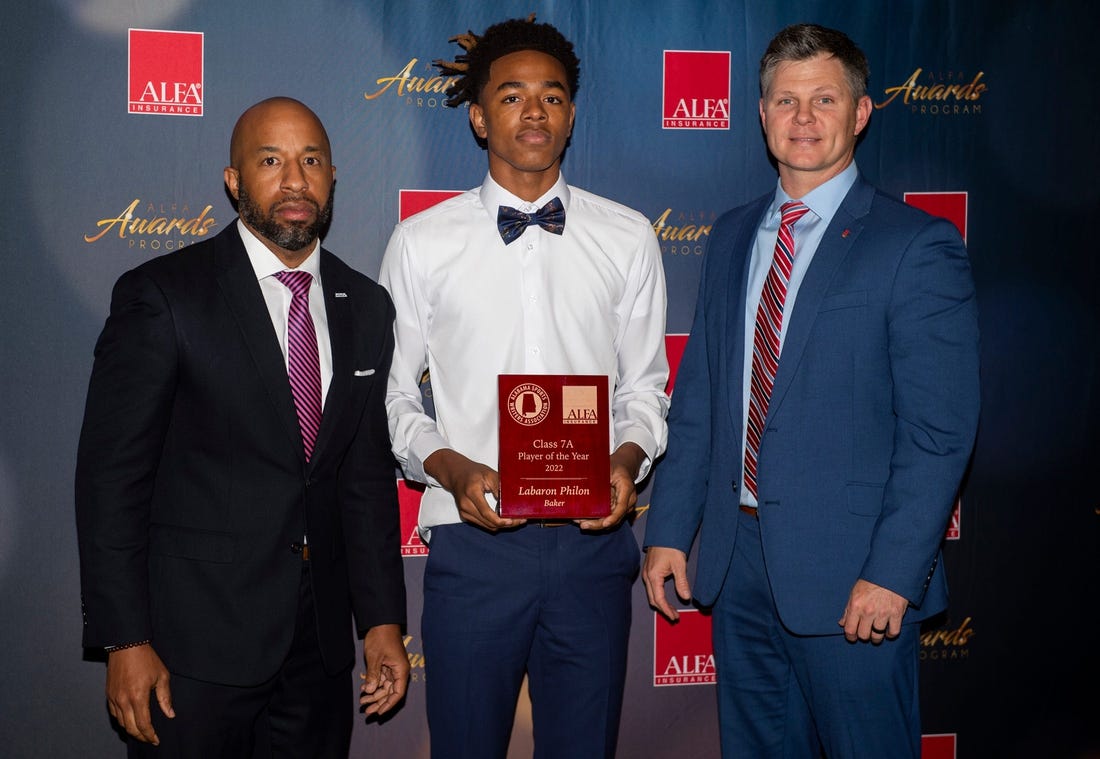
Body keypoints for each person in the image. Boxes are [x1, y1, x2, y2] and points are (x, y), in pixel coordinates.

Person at [642, 23, 980, 758]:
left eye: (824, 99)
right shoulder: (732, 235)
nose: (803, 118)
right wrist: (669, 527)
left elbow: (939, 433)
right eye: (785, 100)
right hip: (736, 566)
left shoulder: (915, 245)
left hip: (853, 575)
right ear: (760, 114)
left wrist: (892, 574)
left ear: (860, 113)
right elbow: (699, 397)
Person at [75, 96, 409, 757]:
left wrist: (381, 619)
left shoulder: (366, 306)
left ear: (334, 176)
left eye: (310, 160)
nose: (295, 180)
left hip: (316, 653)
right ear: (233, 181)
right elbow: (111, 480)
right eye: (270, 160)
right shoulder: (165, 296)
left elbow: (364, 480)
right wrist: (123, 639)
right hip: (189, 653)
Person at [379, 16, 669, 759]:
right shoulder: (422, 242)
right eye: (510, 96)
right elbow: (392, 399)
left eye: (552, 96)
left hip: (592, 548)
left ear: (572, 114)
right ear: (478, 117)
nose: (533, 111)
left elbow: (645, 388)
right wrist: (450, 468)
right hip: (475, 550)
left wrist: (627, 460)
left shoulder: (629, 236)